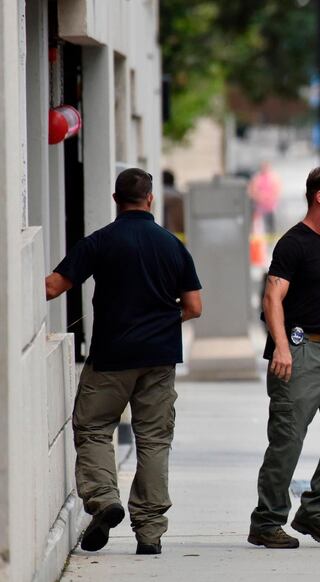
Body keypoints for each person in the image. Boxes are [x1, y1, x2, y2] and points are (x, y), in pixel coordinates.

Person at [44, 168, 203, 555]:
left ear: (116, 200)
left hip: (111, 357)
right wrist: (166, 322)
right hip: (160, 359)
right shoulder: (171, 244)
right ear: (150, 199)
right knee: (153, 441)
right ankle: (149, 532)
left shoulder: (100, 242)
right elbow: (195, 307)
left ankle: (104, 500)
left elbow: (53, 286)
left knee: (95, 427)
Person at [248, 167, 320, 550]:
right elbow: (271, 298)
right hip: (299, 351)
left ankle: (313, 512)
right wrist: (281, 346)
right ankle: (266, 521)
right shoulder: (293, 243)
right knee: (288, 439)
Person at [248, 161, 281, 235]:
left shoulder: (273, 177)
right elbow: (252, 191)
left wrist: (269, 198)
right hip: (259, 207)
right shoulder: (257, 178)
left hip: (270, 206)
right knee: (258, 226)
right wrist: (260, 197)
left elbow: (277, 190)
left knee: (271, 226)